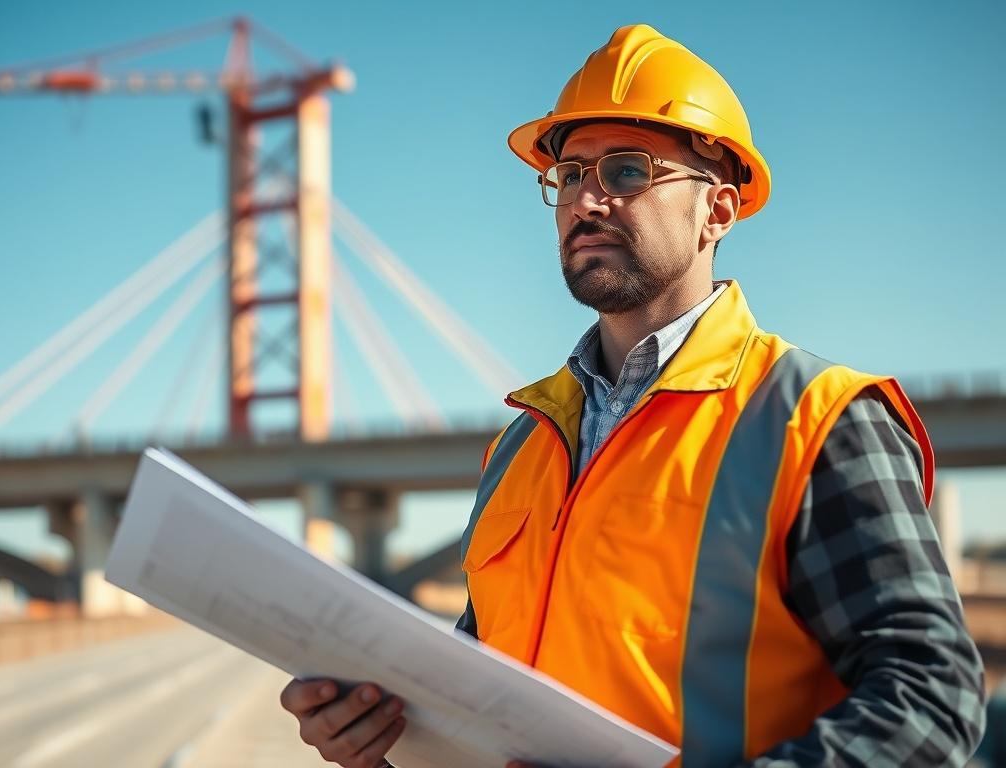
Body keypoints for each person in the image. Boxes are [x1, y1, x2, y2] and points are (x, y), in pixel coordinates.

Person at [279, 24, 986, 767]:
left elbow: (932, 697)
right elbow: (483, 702)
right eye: (570, 176)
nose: (586, 201)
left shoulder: (816, 418)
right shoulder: (521, 444)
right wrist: (378, 736)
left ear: (718, 210)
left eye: (626, 173)